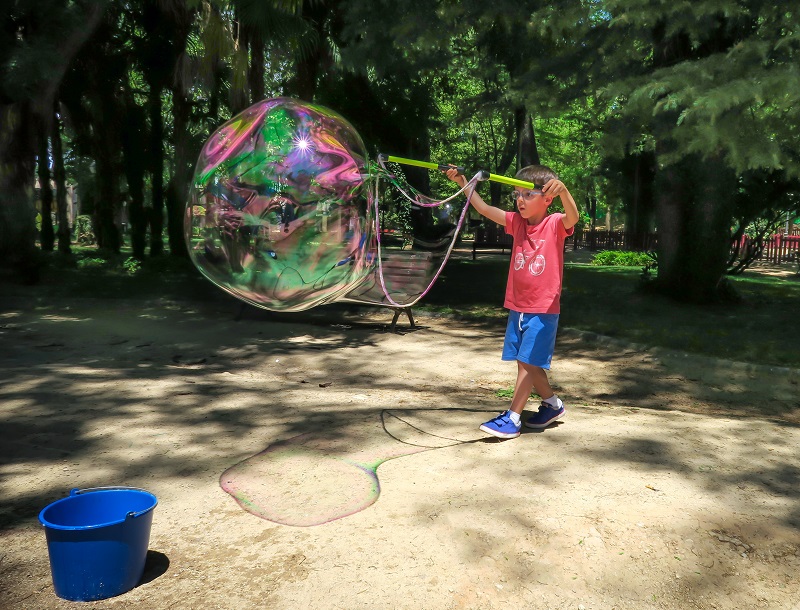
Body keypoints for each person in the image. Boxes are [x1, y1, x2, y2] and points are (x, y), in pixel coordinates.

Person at [446, 164, 579, 439]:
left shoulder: (554, 223)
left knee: (528, 360)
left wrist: (565, 190)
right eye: (517, 194)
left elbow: (572, 217)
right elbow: (483, 208)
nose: (520, 200)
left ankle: (513, 417)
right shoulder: (516, 223)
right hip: (518, 305)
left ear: (547, 198)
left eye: (527, 195)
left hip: (542, 308)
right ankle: (552, 405)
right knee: (526, 363)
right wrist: (463, 181)